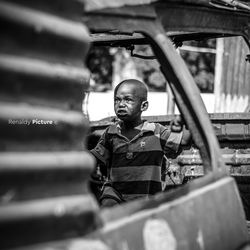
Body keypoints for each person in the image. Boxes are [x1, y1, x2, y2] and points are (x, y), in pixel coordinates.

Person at [90, 79, 191, 206]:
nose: (121, 104)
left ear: (143, 106)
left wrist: (185, 121)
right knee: (107, 206)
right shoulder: (110, 132)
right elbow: (94, 158)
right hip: (116, 195)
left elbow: (184, 140)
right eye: (117, 100)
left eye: (128, 100)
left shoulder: (156, 131)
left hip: (147, 197)